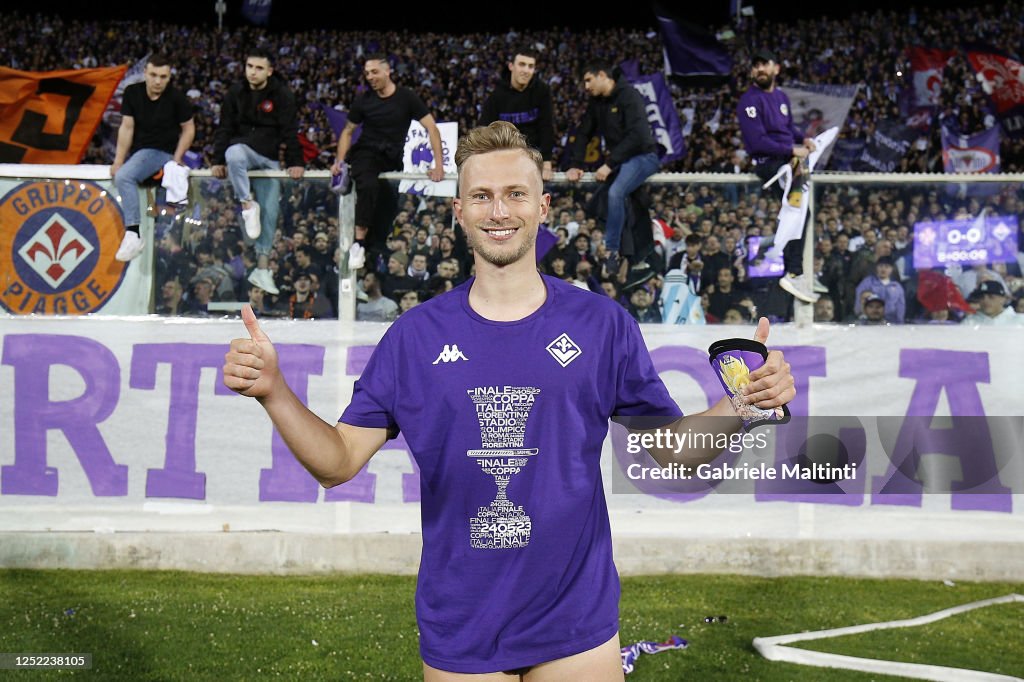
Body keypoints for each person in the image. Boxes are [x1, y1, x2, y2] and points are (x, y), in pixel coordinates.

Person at [223, 121, 794, 678]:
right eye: (482, 196)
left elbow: (672, 453)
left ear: (542, 207)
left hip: (576, 619)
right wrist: (274, 393)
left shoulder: (602, 325)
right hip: (461, 623)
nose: (499, 211)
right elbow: (338, 462)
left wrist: (741, 407)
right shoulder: (414, 337)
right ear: (459, 212)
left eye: (515, 194)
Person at [331, 54, 444, 252]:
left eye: (374, 72)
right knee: (367, 184)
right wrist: (339, 162)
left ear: (387, 71)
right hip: (365, 153)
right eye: (367, 73)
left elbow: (432, 129)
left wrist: (439, 165)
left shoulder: (407, 97)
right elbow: (347, 132)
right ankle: (359, 242)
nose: (370, 77)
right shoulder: (363, 101)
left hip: (392, 159)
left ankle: (371, 255)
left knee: (386, 211)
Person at [736, 49, 819, 303]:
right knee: (799, 212)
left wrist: (801, 137)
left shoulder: (780, 96)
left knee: (800, 212)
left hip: (787, 161)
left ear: (776, 69)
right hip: (770, 164)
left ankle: (794, 272)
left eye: (765, 64)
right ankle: (794, 272)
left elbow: (786, 127)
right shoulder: (749, 101)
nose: (760, 69)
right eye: (756, 66)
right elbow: (757, 141)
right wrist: (792, 148)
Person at [566, 61, 660, 281]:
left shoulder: (629, 96)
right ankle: (632, 256)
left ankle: (612, 251)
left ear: (602, 74)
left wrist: (609, 163)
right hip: (622, 163)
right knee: (607, 201)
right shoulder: (597, 103)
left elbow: (637, 136)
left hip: (644, 157)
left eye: (588, 80)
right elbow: (583, 133)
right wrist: (576, 163)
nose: (586, 86)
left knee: (616, 193)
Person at [211, 47, 305, 252]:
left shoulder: (282, 94)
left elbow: (290, 130)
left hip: (269, 156)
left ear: (269, 71)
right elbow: (225, 127)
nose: (253, 72)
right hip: (244, 150)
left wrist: (295, 162)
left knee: (270, 214)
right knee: (233, 154)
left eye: (259, 68)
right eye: (250, 66)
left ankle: (262, 268)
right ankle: (247, 204)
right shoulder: (235, 92)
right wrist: (217, 160)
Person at [111, 54, 195, 261]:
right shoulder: (132, 93)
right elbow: (127, 127)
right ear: (145, 74)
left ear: (169, 78)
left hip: (161, 152)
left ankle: (133, 233)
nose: (158, 81)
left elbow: (189, 128)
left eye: (163, 77)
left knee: (123, 177)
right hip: (140, 154)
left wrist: (177, 157)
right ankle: (135, 233)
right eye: (154, 75)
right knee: (124, 174)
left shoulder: (177, 98)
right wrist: (118, 159)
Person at [478, 45, 555, 180]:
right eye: (522, 64)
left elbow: (546, 126)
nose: (526, 70)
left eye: (530, 66)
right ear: (511, 66)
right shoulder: (497, 96)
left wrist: (547, 162)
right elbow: (484, 130)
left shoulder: (542, 91)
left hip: (533, 159)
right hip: (503, 159)